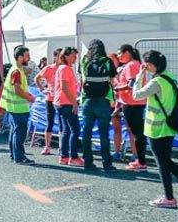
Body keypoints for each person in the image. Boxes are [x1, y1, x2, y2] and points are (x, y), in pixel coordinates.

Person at [133, 51, 178, 208]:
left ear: (151, 65)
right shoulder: (169, 76)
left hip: (156, 128)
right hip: (169, 126)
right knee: (166, 161)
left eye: (146, 65)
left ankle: (171, 197)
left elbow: (136, 95)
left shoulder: (156, 82)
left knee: (162, 162)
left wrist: (139, 76)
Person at [80, 39, 117, 172]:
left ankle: (88, 162)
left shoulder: (84, 61)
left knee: (86, 133)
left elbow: (82, 80)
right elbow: (112, 80)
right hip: (103, 101)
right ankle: (107, 164)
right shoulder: (107, 61)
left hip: (87, 101)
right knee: (104, 134)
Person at [0, 45, 37, 164]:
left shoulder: (17, 69)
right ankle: (19, 157)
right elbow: (17, 90)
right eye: (27, 56)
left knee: (14, 131)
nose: (29, 58)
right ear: (20, 57)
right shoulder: (16, 71)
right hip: (18, 108)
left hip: (13, 107)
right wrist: (29, 97)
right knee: (20, 133)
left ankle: (14, 155)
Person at [114, 45, 149, 171]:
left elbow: (131, 84)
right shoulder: (135, 64)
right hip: (135, 102)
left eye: (120, 53)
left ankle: (141, 161)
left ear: (127, 52)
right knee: (136, 133)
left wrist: (116, 88)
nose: (118, 56)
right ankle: (140, 160)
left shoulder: (130, 65)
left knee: (136, 133)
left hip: (132, 103)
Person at [54, 47, 83, 166]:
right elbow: (64, 87)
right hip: (65, 103)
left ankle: (64, 156)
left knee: (67, 130)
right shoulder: (65, 68)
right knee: (75, 130)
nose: (75, 57)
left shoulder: (65, 68)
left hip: (62, 102)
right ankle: (73, 157)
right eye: (73, 55)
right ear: (65, 56)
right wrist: (74, 103)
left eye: (76, 55)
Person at [35, 48, 61, 155]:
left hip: (61, 100)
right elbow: (37, 78)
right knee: (50, 122)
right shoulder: (49, 68)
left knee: (62, 123)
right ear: (55, 57)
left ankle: (61, 147)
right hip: (50, 99)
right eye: (59, 56)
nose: (61, 58)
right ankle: (47, 146)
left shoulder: (66, 68)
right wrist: (42, 89)